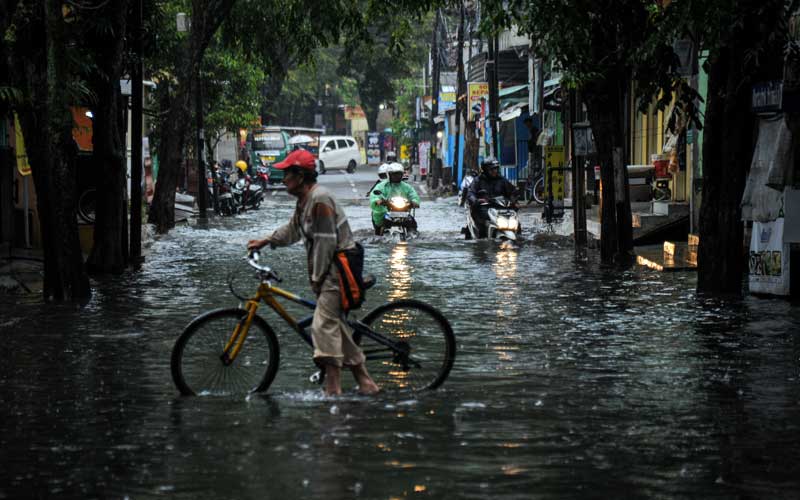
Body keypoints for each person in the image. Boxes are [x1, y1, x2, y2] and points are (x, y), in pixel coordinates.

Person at [247, 149, 379, 396]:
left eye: (287, 174)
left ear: (300, 176)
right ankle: (365, 381)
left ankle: (333, 387)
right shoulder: (304, 201)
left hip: (337, 271)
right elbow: (292, 229)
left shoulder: (320, 200)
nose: (283, 179)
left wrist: (317, 279)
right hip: (328, 269)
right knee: (333, 324)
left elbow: (325, 243)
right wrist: (265, 241)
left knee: (322, 326)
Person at [467, 158, 519, 233]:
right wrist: (476, 200)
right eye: (492, 169)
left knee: (517, 224)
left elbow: (512, 191)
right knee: (481, 228)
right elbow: (470, 193)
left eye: (496, 169)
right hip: (484, 209)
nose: (495, 171)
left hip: (501, 209)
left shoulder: (502, 180)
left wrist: (514, 201)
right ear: (485, 170)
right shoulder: (478, 180)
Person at [369, 162, 421, 235]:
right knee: (378, 225)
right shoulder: (382, 186)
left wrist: (414, 202)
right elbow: (374, 195)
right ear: (389, 175)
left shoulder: (407, 186)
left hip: (403, 211)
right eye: (394, 174)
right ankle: (378, 235)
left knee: (412, 222)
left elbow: (413, 195)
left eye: (399, 174)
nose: (396, 176)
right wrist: (378, 201)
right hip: (386, 210)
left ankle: (413, 236)